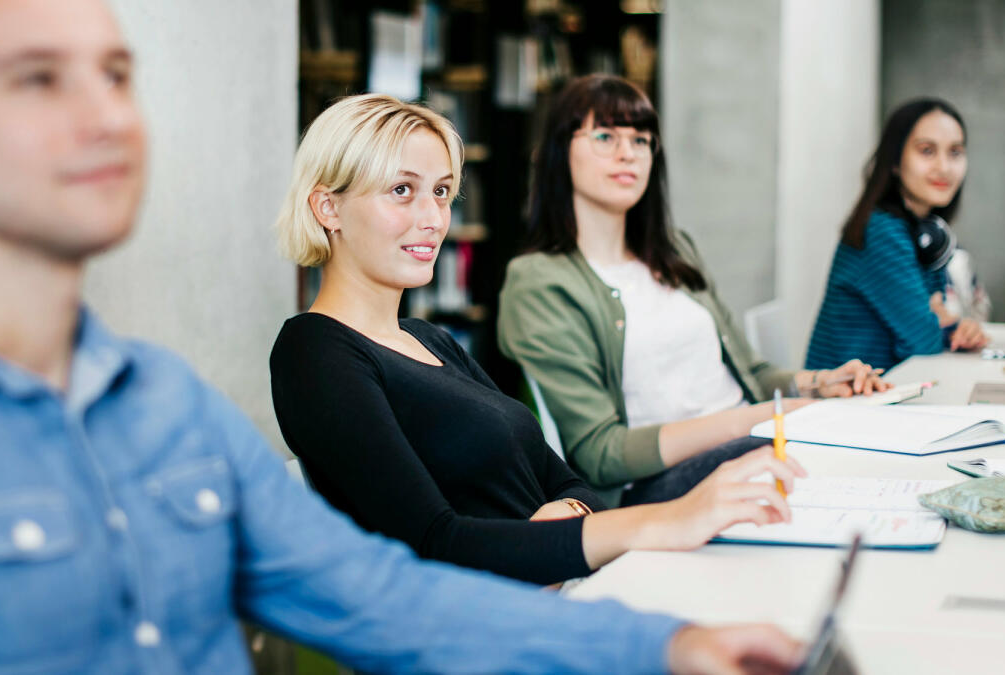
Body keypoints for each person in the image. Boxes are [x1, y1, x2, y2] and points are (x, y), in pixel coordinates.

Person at [0, 1, 804, 672]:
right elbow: (435, 545)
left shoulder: (171, 409)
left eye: (117, 76)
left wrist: (671, 644)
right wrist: (662, 524)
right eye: (37, 78)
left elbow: (384, 594)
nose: (104, 115)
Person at [269, 93, 805, 589]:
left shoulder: (430, 340)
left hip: (562, 589)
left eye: (440, 192)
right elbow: (435, 545)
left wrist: (561, 525)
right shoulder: (314, 352)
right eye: (402, 191)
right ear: (328, 208)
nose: (433, 219)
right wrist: (666, 520)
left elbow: (569, 481)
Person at [496, 74, 887, 509]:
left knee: (863, 443)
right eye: (605, 136)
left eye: (642, 140)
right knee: (819, 458)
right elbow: (601, 454)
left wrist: (817, 385)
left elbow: (751, 375)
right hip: (654, 487)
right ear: (559, 151)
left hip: (745, 443)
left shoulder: (674, 250)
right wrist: (755, 422)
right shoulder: (539, 282)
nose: (628, 153)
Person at [805, 98, 990, 372]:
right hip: (845, 402)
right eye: (927, 151)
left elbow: (929, 323)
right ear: (894, 161)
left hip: (889, 389)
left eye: (955, 152)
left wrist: (952, 326)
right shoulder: (881, 231)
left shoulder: (926, 231)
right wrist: (940, 323)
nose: (944, 167)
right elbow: (922, 342)